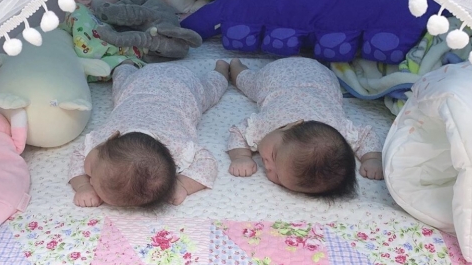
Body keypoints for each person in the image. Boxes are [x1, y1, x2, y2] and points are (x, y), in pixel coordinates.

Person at [69, 60, 229, 208]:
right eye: (92, 181)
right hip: (152, 85)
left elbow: (208, 162)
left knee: (211, 91)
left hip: (173, 87)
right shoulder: (103, 145)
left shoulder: (178, 147)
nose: (89, 180)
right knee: (120, 84)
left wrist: (183, 185)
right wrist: (83, 186)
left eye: (90, 174)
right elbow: (79, 155)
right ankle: (126, 64)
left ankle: (221, 71)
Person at [227, 57, 383, 198]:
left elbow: (365, 134)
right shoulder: (266, 125)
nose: (267, 166)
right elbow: (238, 131)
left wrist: (371, 159)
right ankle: (236, 66)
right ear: (290, 125)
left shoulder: (337, 138)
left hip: (321, 75)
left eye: (278, 177)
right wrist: (240, 156)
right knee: (248, 83)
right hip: (276, 77)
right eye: (273, 155)